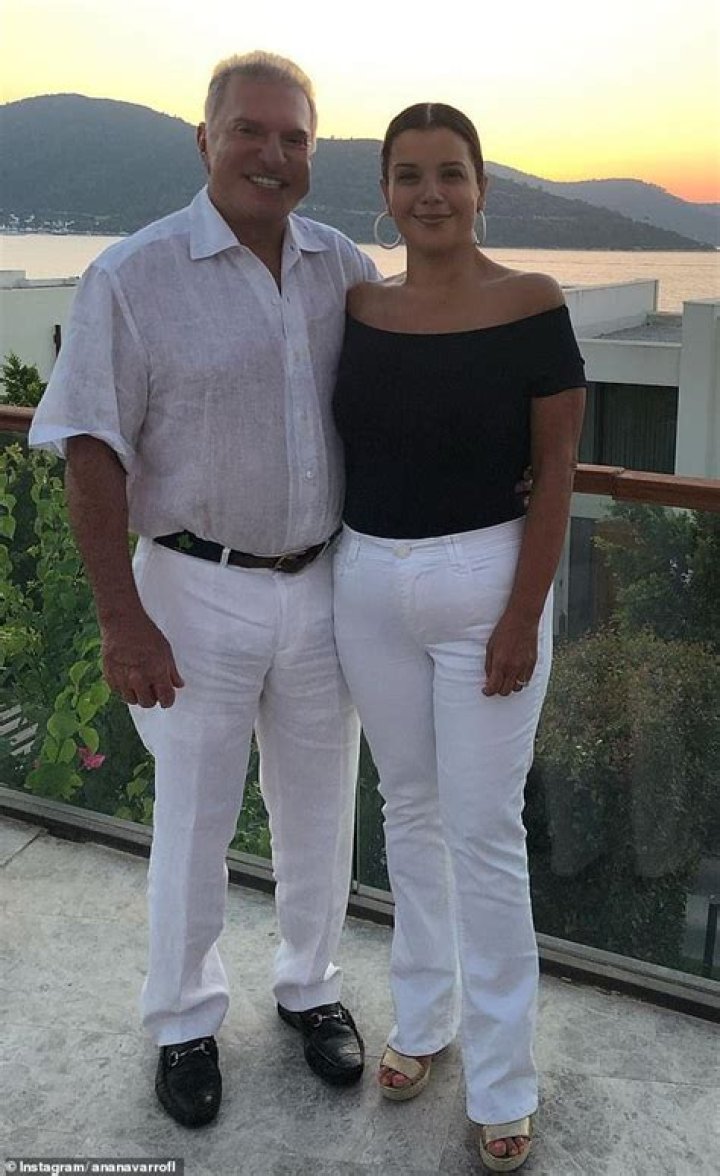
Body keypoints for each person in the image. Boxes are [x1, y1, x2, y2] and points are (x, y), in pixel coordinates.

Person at [28, 50, 379, 1129]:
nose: (273, 155)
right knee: (193, 819)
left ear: (312, 151)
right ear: (205, 141)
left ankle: (310, 988)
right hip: (191, 589)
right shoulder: (133, 276)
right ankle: (183, 1018)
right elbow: (92, 448)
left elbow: (408, 399)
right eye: (250, 131)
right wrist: (120, 618)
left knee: (319, 809)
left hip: (321, 583)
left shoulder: (344, 267)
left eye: (294, 137)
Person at [332, 103, 586, 1171]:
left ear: (482, 187)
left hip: (486, 584)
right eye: (408, 175)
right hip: (364, 580)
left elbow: (558, 472)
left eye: (449, 173)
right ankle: (424, 1020)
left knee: (483, 832)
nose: (429, 194)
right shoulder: (359, 306)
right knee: (409, 809)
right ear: (384, 194)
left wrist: (525, 613)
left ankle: (504, 1079)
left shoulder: (532, 301)